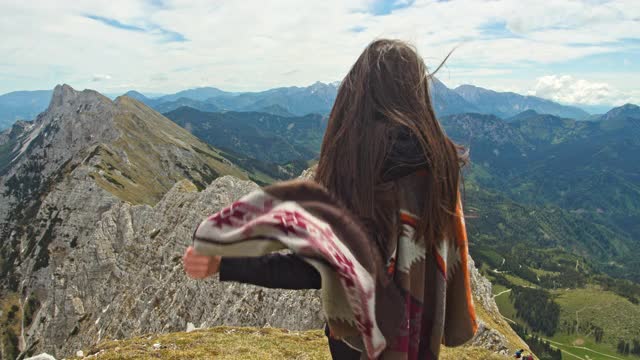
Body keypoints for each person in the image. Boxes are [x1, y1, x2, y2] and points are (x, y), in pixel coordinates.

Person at [183, 39, 476, 359]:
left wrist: (226, 263)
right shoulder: (440, 167)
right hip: (419, 334)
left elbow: (318, 266)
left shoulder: (366, 170)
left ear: (359, 95)